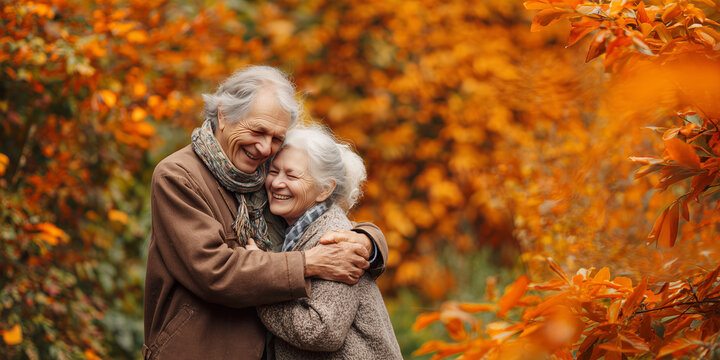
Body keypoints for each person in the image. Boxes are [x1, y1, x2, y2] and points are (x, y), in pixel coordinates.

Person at [143, 66, 388, 360]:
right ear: (223, 115)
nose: (264, 147)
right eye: (258, 131)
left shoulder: (267, 175)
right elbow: (215, 271)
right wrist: (308, 263)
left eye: (276, 138)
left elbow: (322, 219)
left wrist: (367, 242)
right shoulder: (178, 176)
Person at [249, 125, 402, 359]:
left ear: (324, 190)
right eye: (274, 171)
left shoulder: (333, 238)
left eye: (291, 175)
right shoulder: (290, 227)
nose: (277, 183)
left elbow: (321, 331)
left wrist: (258, 289)